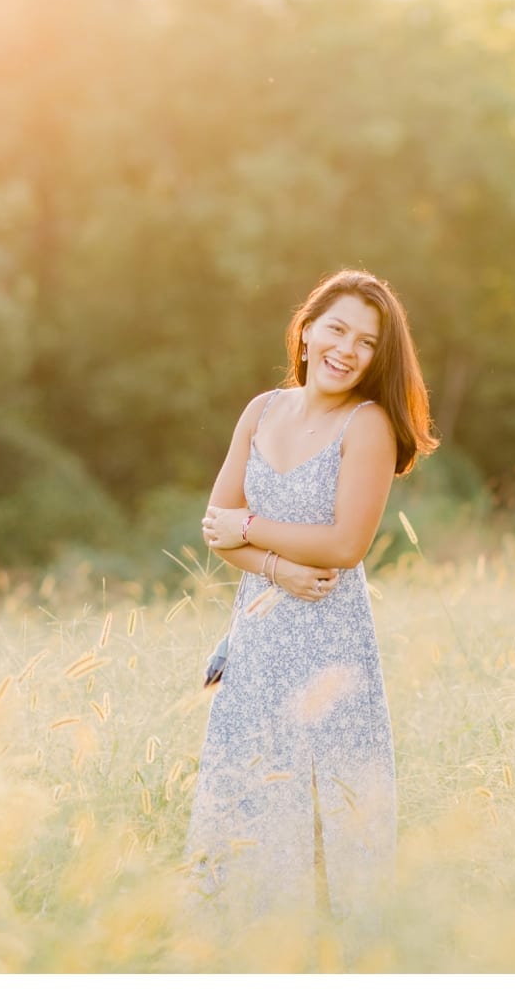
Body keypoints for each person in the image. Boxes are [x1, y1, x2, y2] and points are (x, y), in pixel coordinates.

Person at [186, 267, 438, 927]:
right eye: (336, 329)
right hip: (258, 641)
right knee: (245, 807)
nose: (347, 349)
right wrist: (277, 566)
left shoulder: (369, 426)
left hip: (328, 648)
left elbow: (345, 544)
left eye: (366, 342)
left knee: (327, 822)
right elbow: (217, 528)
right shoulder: (261, 410)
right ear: (305, 334)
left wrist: (252, 532)